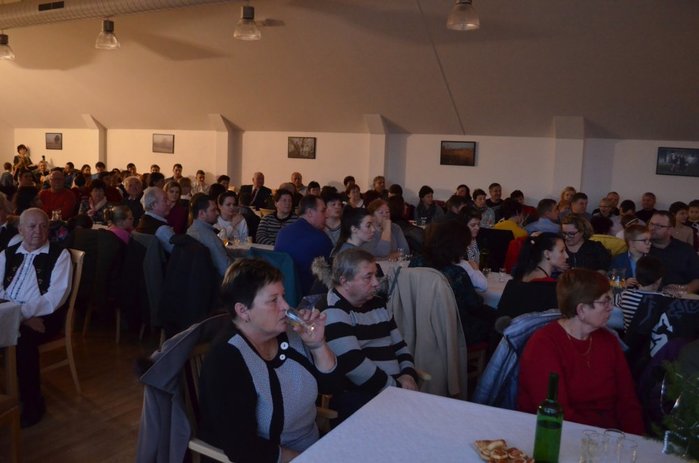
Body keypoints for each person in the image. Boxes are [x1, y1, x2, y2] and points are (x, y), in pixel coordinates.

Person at [198, 259, 338, 463]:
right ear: (243, 311)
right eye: (274, 300)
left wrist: (317, 345)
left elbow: (331, 386)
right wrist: (305, 458)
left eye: (283, 296)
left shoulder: (291, 333)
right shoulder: (227, 359)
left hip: (313, 447)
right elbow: (242, 448)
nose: (286, 307)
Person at [517, 268, 645, 434]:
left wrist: (636, 439)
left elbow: (627, 401)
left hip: (610, 436)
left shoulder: (609, 341)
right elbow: (557, 412)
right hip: (557, 434)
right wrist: (601, 437)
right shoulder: (543, 344)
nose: (611, 308)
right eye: (605, 302)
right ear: (582, 310)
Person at [320, 248, 417, 422]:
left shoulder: (378, 304)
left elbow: (400, 346)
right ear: (345, 281)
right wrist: (396, 388)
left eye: (375, 275)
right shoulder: (333, 311)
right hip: (363, 395)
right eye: (368, 277)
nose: (376, 283)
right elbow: (355, 367)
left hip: (394, 390)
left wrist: (408, 374)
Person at [0, 208, 72, 427]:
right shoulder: (7, 254)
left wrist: (19, 316)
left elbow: (54, 297)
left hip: (44, 316)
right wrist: (17, 316)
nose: (38, 231)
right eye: (32, 226)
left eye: (43, 226)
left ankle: (33, 403)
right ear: (20, 230)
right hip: (8, 312)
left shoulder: (60, 255)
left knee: (23, 341)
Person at [411, 221, 490, 343]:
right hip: (453, 329)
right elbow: (474, 304)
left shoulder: (416, 262)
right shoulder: (457, 273)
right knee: (495, 322)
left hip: (418, 322)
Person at [498, 233, 567, 319]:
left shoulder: (518, 280)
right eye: (562, 251)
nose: (566, 256)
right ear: (547, 254)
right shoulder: (551, 289)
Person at [275, 195, 333, 295]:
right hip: (308, 296)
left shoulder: (283, 233)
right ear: (310, 213)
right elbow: (331, 275)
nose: (327, 215)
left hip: (282, 292)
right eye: (323, 211)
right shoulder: (320, 238)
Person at [648, 211, 699, 294]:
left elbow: (697, 279)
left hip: (679, 297)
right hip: (648, 296)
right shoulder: (641, 247)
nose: (652, 228)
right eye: (651, 224)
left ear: (670, 230)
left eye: (658, 226)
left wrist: (683, 290)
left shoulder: (685, 250)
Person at [186, 193, 231, 278]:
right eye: (213, 210)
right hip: (218, 282)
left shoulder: (190, 231)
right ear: (201, 213)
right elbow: (226, 269)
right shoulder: (209, 237)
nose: (217, 213)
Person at [618, 255, 665, 330]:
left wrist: (624, 285)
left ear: (636, 276)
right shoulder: (664, 299)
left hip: (629, 337)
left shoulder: (625, 295)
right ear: (659, 280)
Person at [135, 187, 175, 253]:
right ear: (154, 205)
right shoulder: (162, 229)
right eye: (165, 200)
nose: (169, 203)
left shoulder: (143, 220)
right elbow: (179, 252)